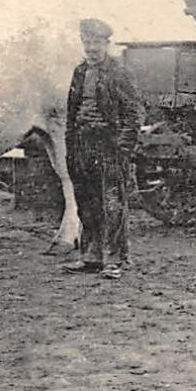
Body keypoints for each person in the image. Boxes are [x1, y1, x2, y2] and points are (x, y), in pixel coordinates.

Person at [61, 17, 146, 281]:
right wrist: (71, 146)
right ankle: (90, 256)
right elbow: (72, 112)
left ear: (106, 44)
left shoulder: (119, 72)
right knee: (87, 202)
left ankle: (115, 260)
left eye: (96, 42)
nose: (91, 48)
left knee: (112, 204)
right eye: (87, 42)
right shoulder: (79, 72)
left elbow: (134, 114)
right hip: (82, 145)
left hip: (108, 147)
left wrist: (122, 148)